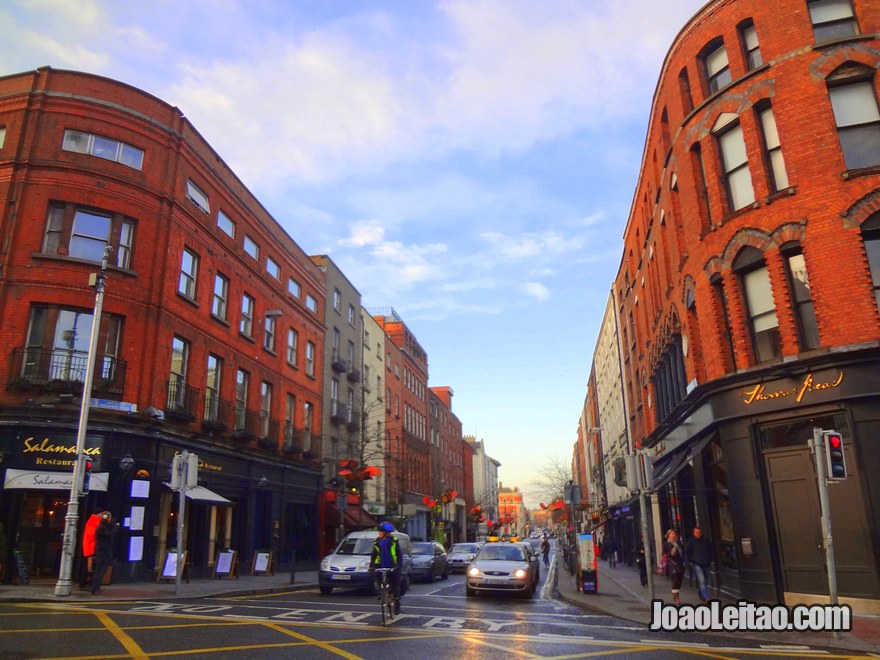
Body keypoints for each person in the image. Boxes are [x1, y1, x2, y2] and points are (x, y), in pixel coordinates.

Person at [370, 521, 402, 614]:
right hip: (380, 565)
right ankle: (382, 593)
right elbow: (374, 554)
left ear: (386, 533)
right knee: (378, 580)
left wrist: (399, 565)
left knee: (395, 584)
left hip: (392, 565)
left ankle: (397, 603)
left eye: (381, 531)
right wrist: (372, 565)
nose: (379, 533)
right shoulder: (377, 541)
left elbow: (399, 554)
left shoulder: (394, 541)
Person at [91, 511, 118, 595]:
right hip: (102, 553)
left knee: (101, 571)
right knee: (99, 571)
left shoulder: (103, 526)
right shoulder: (101, 528)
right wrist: (116, 528)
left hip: (103, 552)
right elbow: (109, 534)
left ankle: (96, 587)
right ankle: (95, 588)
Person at [686, 527, 714, 603]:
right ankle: (706, 597)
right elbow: (688, 553)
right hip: (697, 564)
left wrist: (709, 559)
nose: (697, 534)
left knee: (705, 580)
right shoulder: (691, 542)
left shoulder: (706, 541)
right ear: (694, 533)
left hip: (706, 563)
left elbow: (711, 550)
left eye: (699, 533)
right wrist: (692, 561)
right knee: (702, 580)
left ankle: (701, 594)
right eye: (696, 533)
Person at [663, 529, 686, 605]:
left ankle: (676, 594)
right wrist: (671, 554)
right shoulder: (666, 544)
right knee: (675, 580)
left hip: (680, 563)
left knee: (679, 581)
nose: (673, 535)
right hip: (672, 564)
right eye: (672, 534)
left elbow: (683, 552)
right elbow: (664, 554)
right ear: (668, 535)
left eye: (674, 534)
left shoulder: (678, 543)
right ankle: (676, 597)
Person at [79, 512, 101, 589]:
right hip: (90, 549)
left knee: (89, 568)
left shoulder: (94, 521)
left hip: (90, 548)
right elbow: (91, 536)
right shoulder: (94, 522)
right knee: (88, 567)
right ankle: (84, 583)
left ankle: (86, 583)